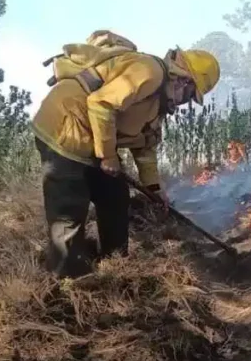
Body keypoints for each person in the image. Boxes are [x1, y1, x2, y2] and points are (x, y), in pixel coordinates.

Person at [31, 30, 220, 277]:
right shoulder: (149, 72)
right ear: (184, 82)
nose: (186, 103)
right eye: (190, 97)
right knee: (69, 207)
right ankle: (69, 282)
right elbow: (101, 104)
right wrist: (108, 156)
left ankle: (115, 265)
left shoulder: (158, 100)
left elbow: (145, 146)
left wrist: (153, 188)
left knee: (115, 195)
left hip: (92, 137)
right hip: (66, 128)